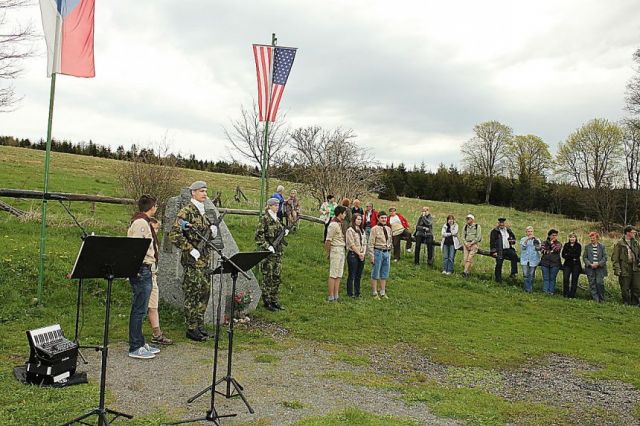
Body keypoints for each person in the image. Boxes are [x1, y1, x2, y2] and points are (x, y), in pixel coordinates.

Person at [169, 181, 219, 342]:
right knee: (193, 294)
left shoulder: (203, 212)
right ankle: (191, 328)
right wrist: (190, 249)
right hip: (192, 261)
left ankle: (199, 325)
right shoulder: (186, 212)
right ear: (193, 193)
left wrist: (212, 232)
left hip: (204, 261)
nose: (204, 194)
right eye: (201, 191)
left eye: (205, 191)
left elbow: (203, 236)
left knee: (204, 293)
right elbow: (174, 235)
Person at [126, 195, 161, 359]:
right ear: (152, 207)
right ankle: (135, 346)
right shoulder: (141, 223)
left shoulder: (144, 222)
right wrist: (137, 269)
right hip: (141, 269)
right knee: (139, 309)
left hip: (145, 268)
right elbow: (135, 248)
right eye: (156, 206)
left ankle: (140, 342)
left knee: (141, 307)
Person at [255, 197, 288, 311]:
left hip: (278, 253)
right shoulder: (265, 219)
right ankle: (267, 301)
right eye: (274, 205)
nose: (277, 207)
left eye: (278, 205)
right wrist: (267, 246)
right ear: (269, 206)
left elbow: (278, 233)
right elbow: (259, 236)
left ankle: (274, 299)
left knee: (277, 277)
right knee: (268, 277)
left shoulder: (277, 219)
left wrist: (284, 232)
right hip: (268, 254)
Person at [147, 218, 173, 345]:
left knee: (153, 306)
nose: (155, 231)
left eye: (157, 228)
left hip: (153, 275)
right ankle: (136, 337)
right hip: (145, 275)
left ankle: (157, 334)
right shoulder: (145, 240)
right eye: (153, 228)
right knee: (142, 307)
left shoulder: (156, 242)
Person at [611, 225, 640, 305]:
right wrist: (617, 269)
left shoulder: (636, 243)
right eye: (633, 232)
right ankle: (626, 302)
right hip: (624, 268)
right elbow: (615, 258)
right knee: (625, 287)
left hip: (635, 268)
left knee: (637, 287)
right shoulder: (619, 244)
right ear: (627, 233)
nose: (635, 233)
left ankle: (635, 303)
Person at [367, 211, 392, 299]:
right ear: (378, 218)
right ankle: (374, 292)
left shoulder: (388, 229)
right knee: (375, 272)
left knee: (384, 273)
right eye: (382, 218)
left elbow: (390, 241)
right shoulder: (374, 229)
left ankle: (382, 291)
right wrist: (371, 256)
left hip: (387, 252)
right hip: (378, 252)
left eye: (385, 218)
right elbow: (370, 243)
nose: (384, 219)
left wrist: (389, 252)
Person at [325, 205, 347, 301]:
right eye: (344, 213)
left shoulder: (340, 223)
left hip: (342, 249)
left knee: (339, 273)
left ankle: (336, 294)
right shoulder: (333, 224)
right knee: (333, 273)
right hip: (335, 249)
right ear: (340, 214)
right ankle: (330, 295)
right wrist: (328, 252)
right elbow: (328, 240)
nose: (345, 215)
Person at [489, 217, 519, 283]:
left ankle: (513, 273)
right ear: (498, 223)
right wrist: (494, 251)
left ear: (505, 224)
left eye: (503, 223)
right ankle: (498, 279)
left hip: (508, 248)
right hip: (499, 249)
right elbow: (492, 242)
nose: (501, 225)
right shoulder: (495, 231)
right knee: (499, 263)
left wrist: (512, 241)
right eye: (500, 223)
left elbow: (513, 239)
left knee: (514, 256)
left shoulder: (508, 230)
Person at [345, 213, 366, 298]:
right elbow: (351, 244)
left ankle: (358, 292)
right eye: (358, 219)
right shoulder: (350, 230)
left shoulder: (362, 230)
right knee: (352, 274)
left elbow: (364, 243)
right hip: (353, 254)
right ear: (354, 220)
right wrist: (359, 253)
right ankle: (350, 293)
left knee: (359, 275)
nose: (359, 221)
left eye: (360, 219)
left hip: (361, 254)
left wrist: (363, 253)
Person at [583, 231, 607, 303]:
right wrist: (590, 264)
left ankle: (601, 299)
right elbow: (584, 257)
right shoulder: (587, 247)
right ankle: (596, 300)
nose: (592, 239)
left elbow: (605, 257)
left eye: (593, 238)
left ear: (597, 238)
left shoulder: (602, 247)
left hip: (600, 268)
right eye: (591, 238)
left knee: (599, 283)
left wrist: (598, 264)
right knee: (592, 284)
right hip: (590, 268)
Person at [540, 229, 562, 295]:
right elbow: (542, 250)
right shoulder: (544, 242)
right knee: (546, 278)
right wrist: (550, 252)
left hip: (555, 263)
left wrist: (552, 243)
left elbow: (556, 249)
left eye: (555, 235)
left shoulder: (559, 243)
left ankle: (551, 292)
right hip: (545, 263)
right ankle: (545, 291)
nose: (554, 237)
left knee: (552, 278)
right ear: (549, 236)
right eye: (553, 235)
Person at [519, 226, 541, 293]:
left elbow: (539, 248)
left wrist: (536, 242)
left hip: (533, 259)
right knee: (525, 275)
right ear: (526, 232)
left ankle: (529, 289)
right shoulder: (523, 239)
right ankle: (527, 289)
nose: (530, 233)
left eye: (531, 231)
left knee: (531, 275)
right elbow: (523, 247)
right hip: (525, 259)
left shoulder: (537, 239)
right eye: (528, 231)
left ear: (533, 232)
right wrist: (527, 239)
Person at [561, 232, 582, 299]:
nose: (572, 239)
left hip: (576, 265)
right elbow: (563, 255)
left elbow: (577, 255)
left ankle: (572, 295)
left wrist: (568, 255)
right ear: (569, 238)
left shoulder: (578, 246)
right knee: (566, 278)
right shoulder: (566, 245)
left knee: (574, 279)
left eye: (573, 237)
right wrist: (572, 256)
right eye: (571, 237)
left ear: (576, 238)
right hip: (567, 264)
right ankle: (565, 294)